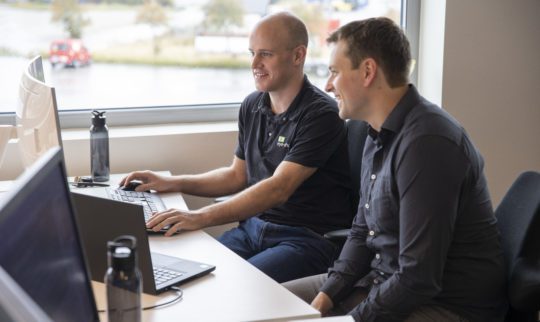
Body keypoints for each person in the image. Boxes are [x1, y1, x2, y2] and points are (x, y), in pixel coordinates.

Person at [283, 17, 507, 321]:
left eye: (335, 72)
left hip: (444, 304)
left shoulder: (429, 144)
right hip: (381, 281)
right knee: (270, 305)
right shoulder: (375, 132)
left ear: (368, 72)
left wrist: (351, 319)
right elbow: (362, 231)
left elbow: (418, 276)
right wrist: (325, 298)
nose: (328, 85)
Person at [120, 12, 354, 283]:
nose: (255, 63)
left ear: (298, 56)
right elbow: (236, 176)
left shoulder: (321, 114)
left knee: (232, 285)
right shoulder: (252, 105)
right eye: (252, 53)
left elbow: (278, 189)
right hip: (252, 229)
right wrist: (171, 182)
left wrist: (200, 216)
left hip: (304, 239)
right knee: (189, 277)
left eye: (265, 54)